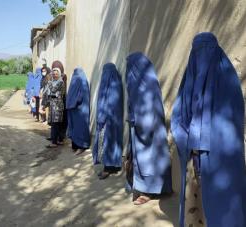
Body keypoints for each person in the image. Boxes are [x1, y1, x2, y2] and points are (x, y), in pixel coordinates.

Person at [171, 32, 246, 227]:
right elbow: (178, 114)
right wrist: (187, 138)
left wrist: (205, 138)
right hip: (191, 155)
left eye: (205, 51)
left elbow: (231, 123)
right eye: (196, 52)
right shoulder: (190, 75)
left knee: (221, 202)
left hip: (219, 157)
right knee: (194, 203)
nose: (200, 57)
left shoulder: (227, 78)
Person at [125, 52, 172, 205]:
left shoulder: (147, 83)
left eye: (130, 68)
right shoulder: (143, 80)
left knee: (149, 158)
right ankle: (150, 187)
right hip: (139, 122)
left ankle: (149, 191)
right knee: (145, 158)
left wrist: (140, 123)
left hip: (148, 125)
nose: (128, 71)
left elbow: (149, 107)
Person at [92, 63, 123, 180]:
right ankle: (113, 166)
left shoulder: (111, 83)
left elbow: (107, 103)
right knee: (112, 142)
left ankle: (108, 168)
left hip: (108, 118)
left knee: (107, 143)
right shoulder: (116, 82)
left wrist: (101, 117)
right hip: (114, 119)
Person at [66, 68, 90, 155]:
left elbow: (81, 96)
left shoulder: (81, 81)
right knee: (74, 128)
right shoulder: (77, 79)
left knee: (80, 128)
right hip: (74, 109)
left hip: (80, 109)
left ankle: (82, 146)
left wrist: (73, 102)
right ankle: (75, 146)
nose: (74, 75)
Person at [42, 68, 65, 148]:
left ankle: (54, 142)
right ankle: (58, 140)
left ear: (59, 74)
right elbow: (53, 95)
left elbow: (53, 90)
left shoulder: (60, 82)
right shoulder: (54, 82)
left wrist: (49, 82)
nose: (54, 75)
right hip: (53, 105)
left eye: (56, 74)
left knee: (56, 124)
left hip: (57, 106)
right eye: (53, 74)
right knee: (56, 124)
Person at [51, 61, 68, 142]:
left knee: (57, 122)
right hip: (59, 102)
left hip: (58, 102)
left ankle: (57, 139)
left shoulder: (62, 78)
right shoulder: (58, 77)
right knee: (58, 122)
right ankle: (58, 138)